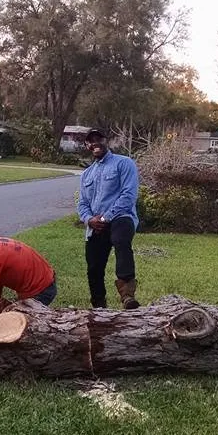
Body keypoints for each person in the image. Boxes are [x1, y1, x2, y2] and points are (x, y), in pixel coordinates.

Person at [77, 128, 140, 309]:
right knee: (93, 267)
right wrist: (89, 220)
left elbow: (128, 195)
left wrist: (106, 218)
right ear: (87, 146)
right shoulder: (86, 174)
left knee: (121, 241)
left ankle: (127, 295)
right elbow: (82, 203)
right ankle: (98, 306)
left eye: (99, 139)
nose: (95, 143)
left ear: (107, 141)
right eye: (91, 141)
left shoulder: (124, 163)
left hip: (121, 217)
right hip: (96, 224)